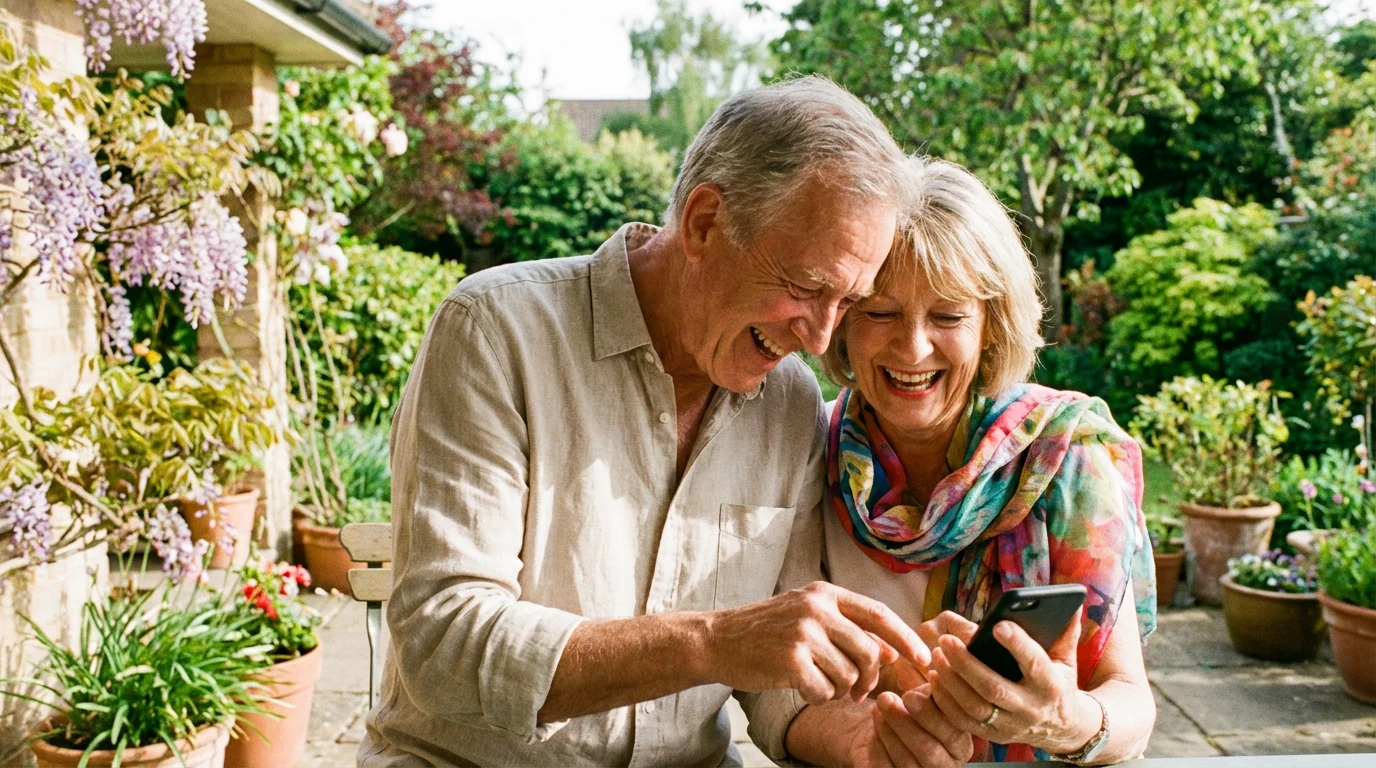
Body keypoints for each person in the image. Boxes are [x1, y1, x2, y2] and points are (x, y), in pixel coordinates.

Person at [358, 76, 933, 767]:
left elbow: (776, 682)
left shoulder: (789, 404)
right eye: (808, 287)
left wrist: (876, 739)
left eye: (847, 302)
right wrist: (713, 642)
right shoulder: (495, 329)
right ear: (703, 224)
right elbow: (443, 643)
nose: (819, 338)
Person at [804, 156, 1158, 766]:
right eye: (881, 312)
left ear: (991, 326)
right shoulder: (808, 450)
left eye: (949, 315)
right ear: (841, 321)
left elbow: (1132, 706)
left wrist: (1067, 722)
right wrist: (889, 697)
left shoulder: (1068, 457)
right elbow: (782, 702)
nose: (913, 347)